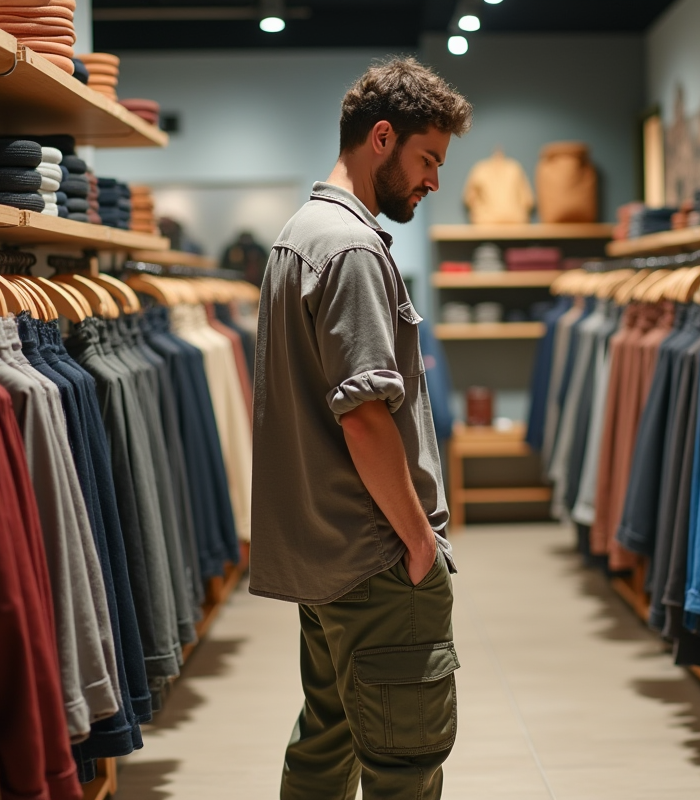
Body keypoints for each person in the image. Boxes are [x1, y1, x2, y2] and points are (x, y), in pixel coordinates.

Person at [249, 57, 472, 799]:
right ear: (382, 137)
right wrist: (417, 544)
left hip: (328, 560)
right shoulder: (349, 249)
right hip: (375, 559)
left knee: (328, 738)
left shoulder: (296, 236)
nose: (434, 180)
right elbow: (366, 418)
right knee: (403, 768)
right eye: (428, 159)